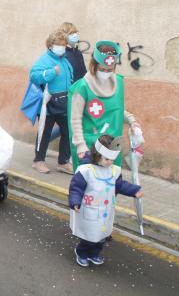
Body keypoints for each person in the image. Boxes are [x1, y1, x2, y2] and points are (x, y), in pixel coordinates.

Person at [69, 134, 144, 267]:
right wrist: (75, 201)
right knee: (88, 236)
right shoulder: (85, 171)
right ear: (97, 155)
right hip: (89, 211)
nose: (110, 162)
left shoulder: (114, 171)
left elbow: (120, 185)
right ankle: (82, 252)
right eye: (106, 159)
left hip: (105, 212)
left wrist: (134, 190)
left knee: (101, 236)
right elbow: (76, 188)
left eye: (112, 160)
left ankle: (95, 253)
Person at [68, 41, 142, 171]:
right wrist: (80, 145)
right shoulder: (82, 87)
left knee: (109, 185)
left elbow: (116, 110)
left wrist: (132, 121)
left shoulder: (118, 83)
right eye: (102, 69)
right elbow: (75, 119)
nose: (106, 72)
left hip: (112, 145)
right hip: (90, 147)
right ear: (94, 65)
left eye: (109, 70)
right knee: (89, 186)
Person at [30, 30, 74, 174]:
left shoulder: (65, 61)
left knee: (68, 132)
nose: (62, 47)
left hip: (64, 102)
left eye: (63, 44)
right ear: (50, 45)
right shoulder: (44, 60)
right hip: (48, 103)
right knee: (45, 133)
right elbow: (34, 76)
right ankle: (38, 161)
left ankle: (63, 162)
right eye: (58, 44)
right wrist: (51, 72)